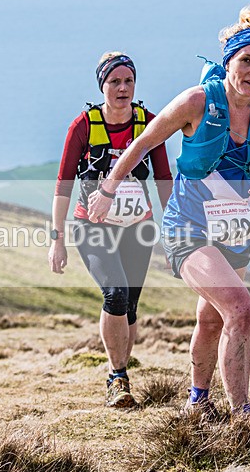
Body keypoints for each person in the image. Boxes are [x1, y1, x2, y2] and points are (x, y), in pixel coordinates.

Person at [87, 4, 250, 415]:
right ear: (228, 60)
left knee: (214, 319)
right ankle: (244, 418)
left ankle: (197, 402)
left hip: (234, 230)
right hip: (187, 228)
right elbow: (143, 142)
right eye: (246, 61)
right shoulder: (197, 101)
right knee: (240, 308)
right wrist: (109, 188)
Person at [49, 51, 172, 408]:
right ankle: (116, 376)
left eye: (128, 81)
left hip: (138, 227)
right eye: (114, 81)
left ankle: (123, 375)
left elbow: (164, 179)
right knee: (115, 294)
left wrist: (175, 231)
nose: (122, 88)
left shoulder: (149, 122)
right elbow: (63, 184)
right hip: (93, 227)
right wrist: (57, 240)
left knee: (130, 307)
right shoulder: (84, 126)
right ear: (102, 85)